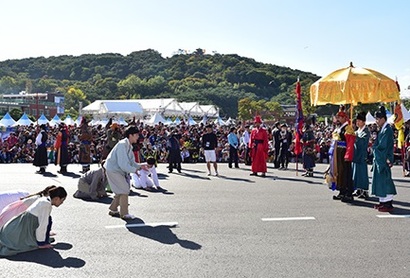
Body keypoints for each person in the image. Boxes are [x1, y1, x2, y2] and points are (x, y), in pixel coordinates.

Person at [0, 186, 67, 257]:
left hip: (14, 226)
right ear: (56, 198)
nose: (62, 203)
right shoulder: (46, 205)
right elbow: (42, 226)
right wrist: (41, 244)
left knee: (49, 219)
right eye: (62, 200)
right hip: (19, 229)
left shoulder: (43, 199)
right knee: (25, 245)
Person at [105, 126, 148, 220]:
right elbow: (123, 164)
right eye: (136, 135)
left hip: (116, 169)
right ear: (130, 135)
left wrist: (140, 166)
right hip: (113, 170)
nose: (138, 137)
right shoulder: (122, 145)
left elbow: (131, 162)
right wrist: (135, 170)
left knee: (120, 191)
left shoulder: (128, 145)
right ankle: (124, 214)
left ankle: (113, 209)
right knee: (124, 189)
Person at [372, 106, 397, 212]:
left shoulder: (387, 130)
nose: (376, 121)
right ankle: (382, 201)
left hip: (384, 158)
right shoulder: (383, 129)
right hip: (381, 157)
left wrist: (374, 148)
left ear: (383, 119)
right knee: (380, 180)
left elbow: (383, 146)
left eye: (377, 119)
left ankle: (388, 203)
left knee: (385, 180)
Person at [330, 105, 356, 202]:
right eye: (338, 117)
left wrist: (348, 154)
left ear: (345, 118)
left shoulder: (348, 128)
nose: (338, 118)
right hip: (337, 152)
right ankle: (341, 191)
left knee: (346, 172)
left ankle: (348, 193)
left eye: (340, 117)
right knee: (339, 172)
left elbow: (350, 142)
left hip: (344, 151)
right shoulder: (339, 127)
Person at [352, 112, 370, 199]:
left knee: (362, 173)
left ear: (363, 122)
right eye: (357, 121)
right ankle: (358, 189)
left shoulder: (366, 131)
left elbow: (363, 142)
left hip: (362, 155)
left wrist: (355, 137)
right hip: (355, 154)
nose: (357, 122)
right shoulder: (357, 131)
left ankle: (364, 190)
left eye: (359, 121)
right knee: (356, 173)